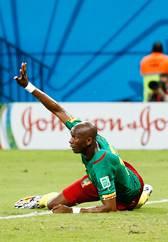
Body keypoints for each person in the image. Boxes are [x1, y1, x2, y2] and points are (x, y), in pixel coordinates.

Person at [13, 63, 153, 214]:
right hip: (104, 175)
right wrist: (28, 86)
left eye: (74, 138)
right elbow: (57, 109)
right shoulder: (87, 133)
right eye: (71, 136)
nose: (70, 141)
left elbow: (110, 208)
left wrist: (72, 211)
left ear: (88, 141)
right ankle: (43, 199)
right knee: (53, 205)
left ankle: (142, 195)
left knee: (119, 203)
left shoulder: (101, 163)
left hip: (128, 194)